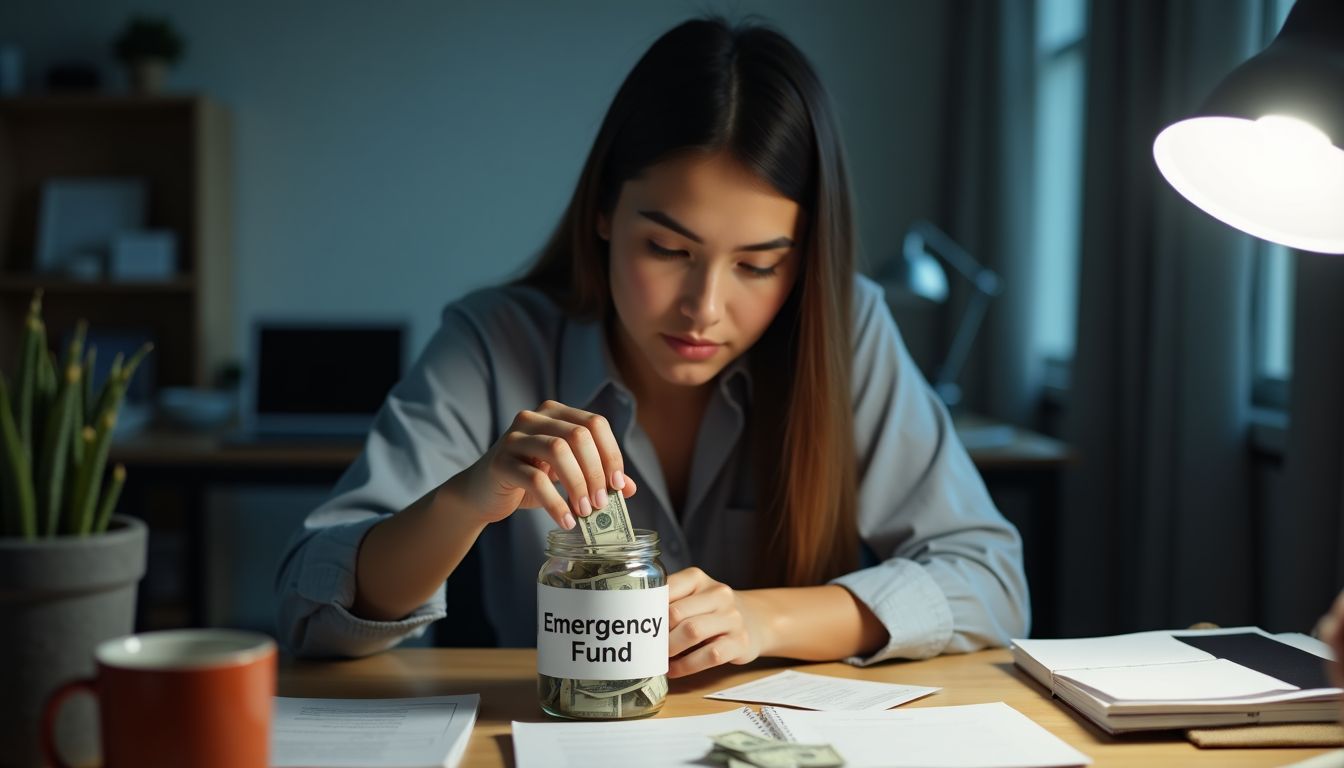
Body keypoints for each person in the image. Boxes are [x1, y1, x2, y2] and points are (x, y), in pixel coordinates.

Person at [275, 16, 1029, 676]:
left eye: (759, 265)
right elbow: (312, 612)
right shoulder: (493, 339)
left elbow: (992, 581)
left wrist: (766, 620)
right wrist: (468, 497)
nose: (704, 309)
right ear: (604, 209)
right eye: (667, 249)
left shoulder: (846, 328)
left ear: (802, 260)